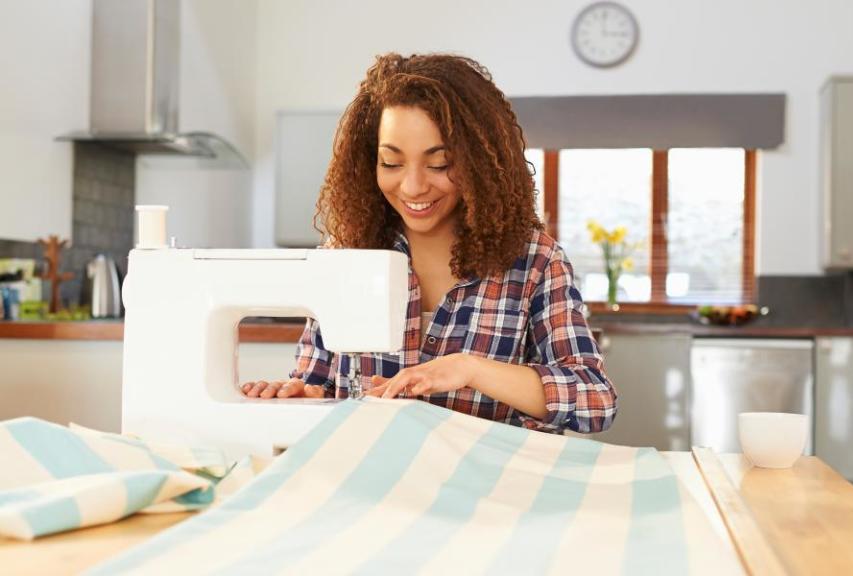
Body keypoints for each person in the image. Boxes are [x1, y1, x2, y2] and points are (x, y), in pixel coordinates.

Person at [241, 53, 616, 433]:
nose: (413, 187)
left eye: (439, 164)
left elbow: (595, 402)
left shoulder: (534, 262)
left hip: (486, 484)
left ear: (479, 164)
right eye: (391, 163)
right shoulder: (345, 255)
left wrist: (470, 369)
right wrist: (302, 397)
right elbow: (316, 382)